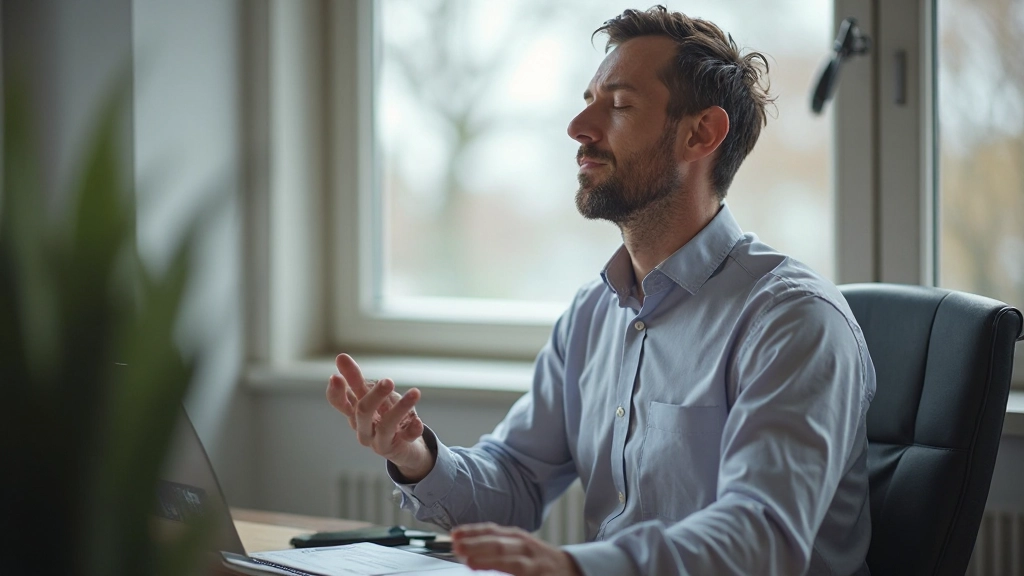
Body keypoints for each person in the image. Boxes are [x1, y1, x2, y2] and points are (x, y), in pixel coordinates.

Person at [327, 6, 875, 576]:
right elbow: (514, 478)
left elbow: (760, 537)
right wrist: (415, 456)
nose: (578, 127)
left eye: (618, 105)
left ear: (701, 133)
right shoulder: (594, 312)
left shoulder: (792, 320)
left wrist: (576, 565)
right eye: (588, 100)